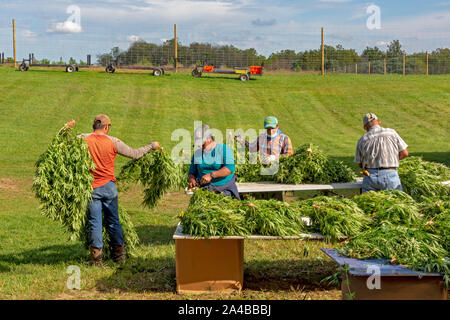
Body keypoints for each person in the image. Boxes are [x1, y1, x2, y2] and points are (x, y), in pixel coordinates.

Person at [66, 115, 160, 265]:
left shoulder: (82, 139)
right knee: (113, 221)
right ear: (106, 127)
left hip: (91, 188)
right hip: (109, 187)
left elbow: (61, 145)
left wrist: (67, 128)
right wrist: (151, 145)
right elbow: (135, 154)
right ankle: (119, 256)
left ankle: (96, 259)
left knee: (95, 222)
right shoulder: (113, 141)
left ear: (93, 126)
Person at [354, 113, 409, 193]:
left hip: (369, 176)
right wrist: (391, 159)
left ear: (365, 127)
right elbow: (405, 153)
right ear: (379, 122)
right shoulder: (391, 133)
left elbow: (360, 164)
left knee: (368, 204)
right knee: (394, 203)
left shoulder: (362, 140)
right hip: (389, 174)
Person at [188, 125, 240, 200]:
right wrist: (192, 180)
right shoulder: (197, 154)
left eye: (202, 143)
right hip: (204, 190)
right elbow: (191, 173)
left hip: (224, 189)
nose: (200, 147)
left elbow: (229, 168)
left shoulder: (223, 149)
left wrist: (211, 175)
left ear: (209, 139)